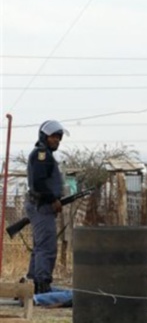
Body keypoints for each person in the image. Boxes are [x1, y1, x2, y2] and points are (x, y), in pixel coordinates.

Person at [25, 120, 69, 294]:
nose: (56, 140)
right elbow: (39, 183)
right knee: (47, 247)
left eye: (59, 137)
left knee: (40, 246)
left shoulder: (44, 155)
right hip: (42, 205)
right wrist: (53, 199)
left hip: (42, 205)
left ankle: (33, 283)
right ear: (44, 137)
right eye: (53, 136)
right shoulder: (42, 154)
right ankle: (42, 285)